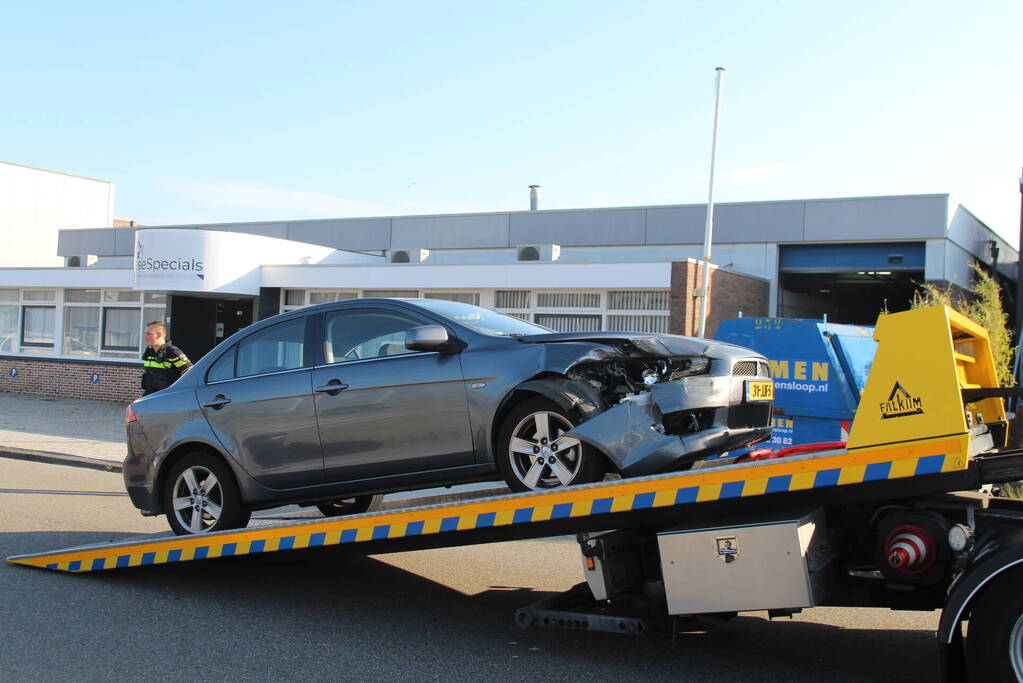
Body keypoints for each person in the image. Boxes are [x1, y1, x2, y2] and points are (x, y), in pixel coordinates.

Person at [141, 321, 192, 395]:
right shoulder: (149, 352)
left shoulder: (172, 352)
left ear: (159, 335)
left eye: (148, 334)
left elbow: (190, 373)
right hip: (149, 397)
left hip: (167, 399)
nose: (145, 337)